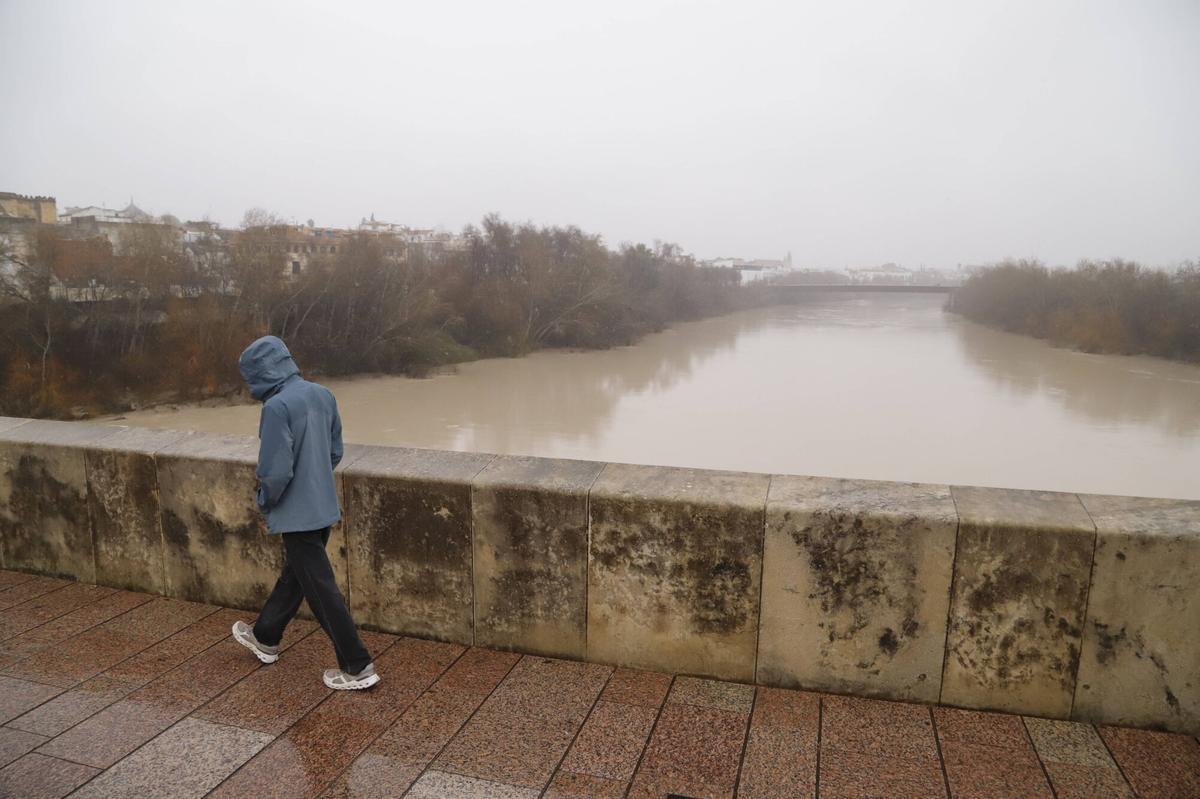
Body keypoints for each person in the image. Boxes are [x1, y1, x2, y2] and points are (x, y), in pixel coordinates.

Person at [230, 335, 379, 690]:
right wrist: (315, 482)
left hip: (296, 513)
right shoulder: (322, 394)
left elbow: (275, 471)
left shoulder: (277, 407)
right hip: (322, 505)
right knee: (297, 575)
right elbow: (334, 451)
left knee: (321, 590)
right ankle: (265, 636)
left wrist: (266, 499)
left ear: (258, 373)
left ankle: (357, 666)